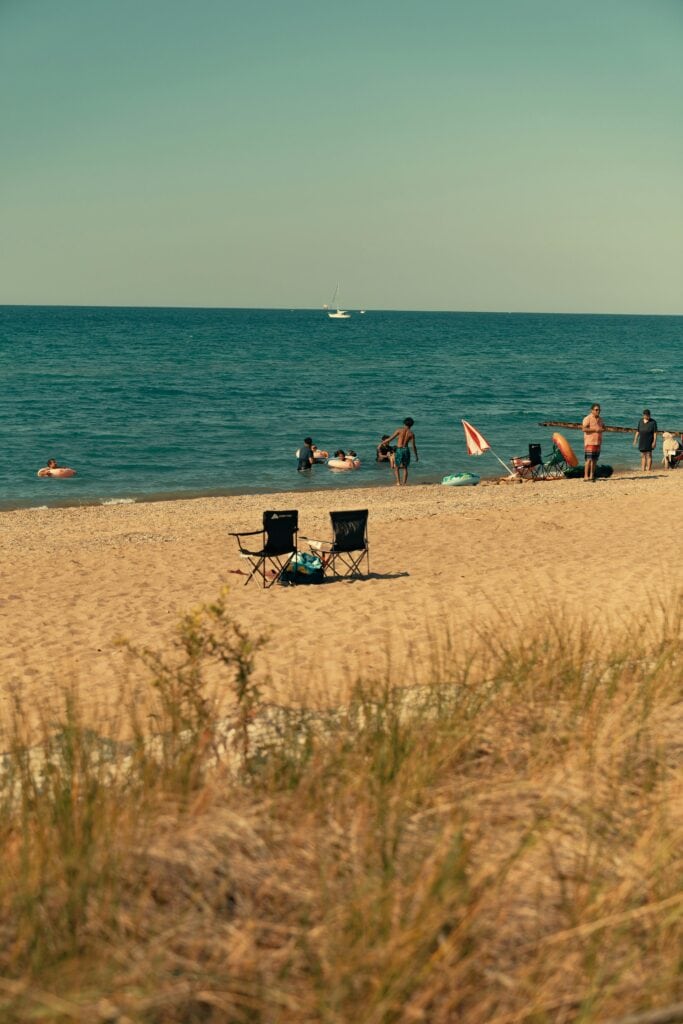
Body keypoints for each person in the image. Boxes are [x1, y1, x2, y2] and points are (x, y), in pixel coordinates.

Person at [385, 417, 418, 486]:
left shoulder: (399, 430)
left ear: (404, 423)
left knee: (396, 467)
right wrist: (416, 455)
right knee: (405, 467)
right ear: (411, 425)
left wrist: (383, 443)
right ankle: (404, 483)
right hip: (406, 450)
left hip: (399, 450)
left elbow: (390, 439)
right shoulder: (411, 434)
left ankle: (398, 482)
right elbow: (413, 446)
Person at [582, 403, 605, 482]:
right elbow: (584, 429)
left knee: (595, 460)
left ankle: (592, 475)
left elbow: (603, 427)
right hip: (590, 442)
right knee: (588, 460)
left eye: (599, 410)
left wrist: (602, 429)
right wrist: (595, 430)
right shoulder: (587, 418)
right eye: (596, 410)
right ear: (592, 410)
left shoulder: (600, 419)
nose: (598, 411)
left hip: (598, 442)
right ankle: (585, 476)